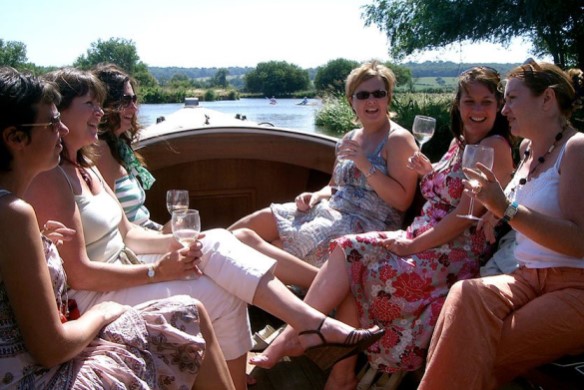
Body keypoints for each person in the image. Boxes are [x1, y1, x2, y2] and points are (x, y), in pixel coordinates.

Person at [25, 67, 383, 390]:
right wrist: (155, 270)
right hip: (93, 297)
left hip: (123, 268)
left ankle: (303, 328)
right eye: (91, 104)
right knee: (220, 292)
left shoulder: (88, 170)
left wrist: (180, 244)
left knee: (216, 238)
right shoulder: (52, 179)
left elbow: (131, 234)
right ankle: (307, 329)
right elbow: (80, 275)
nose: (101, 114)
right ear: (62, 113)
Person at [250, 66, 515, 390]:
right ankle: (308, 340)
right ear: (457, 104)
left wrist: (413, 246)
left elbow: (465, 216)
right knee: (348, 249)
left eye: (485, 102)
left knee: (355, 265)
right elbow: (446, 189)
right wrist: (428, 171)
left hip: (453, 253)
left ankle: (302, 344)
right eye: (469, 101)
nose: (476, 110)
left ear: (498, 106)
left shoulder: (494, 147)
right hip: (424, 235)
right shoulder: (460, 143)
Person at [0, 67, 235, 389]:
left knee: (195, 293)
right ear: (15, 138)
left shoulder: (15, 212)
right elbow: (51, 350)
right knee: (188, 313)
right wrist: (103, 313)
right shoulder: (12, 213)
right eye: (52, 123)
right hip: (34, 379)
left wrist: (41, 243)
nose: (63, 129)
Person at [418, 62, 584, 390]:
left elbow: (579, 241)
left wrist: (505, 209)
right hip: (526, 277)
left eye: (512, 99)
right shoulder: (527, 149)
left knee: (475, 352)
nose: (504, 110)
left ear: (547, 99)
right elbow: (525, 200)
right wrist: (494, 213)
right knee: (464, 293)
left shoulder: (576, 148)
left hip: (574, 287)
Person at [230, 61, 419, 288]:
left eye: (379, 93)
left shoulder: (398, 139)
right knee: (259, 221)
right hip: (332, 211)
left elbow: (402, 201)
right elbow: (333, 186)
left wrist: (364, 163)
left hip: (366, 224)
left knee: (275, 246)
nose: (371, 101)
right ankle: (205, 253)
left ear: (388, 98)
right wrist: (316, 195)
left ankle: (327, 289)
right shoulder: (350, 137)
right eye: (363, 95)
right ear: (351, 101)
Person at [92, 63, 164, 231]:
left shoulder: (121, 147)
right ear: (106, 104)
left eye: (134, 99)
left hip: (149, 232)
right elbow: (114, 224)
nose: (134, 107)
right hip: (140, 242)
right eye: (126, 100)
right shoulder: (100, 151)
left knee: (233, 232)